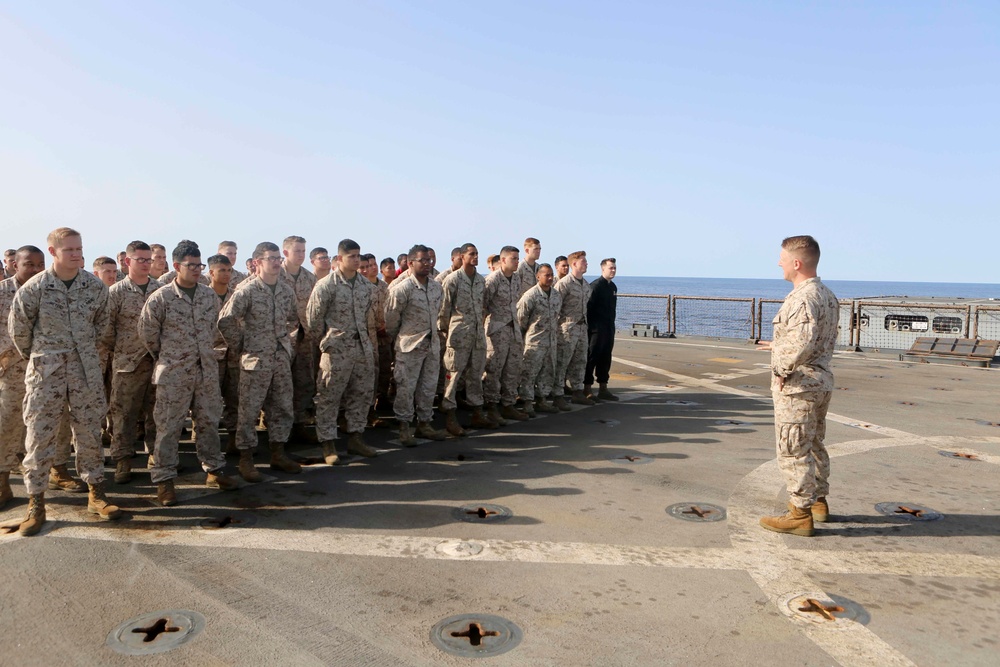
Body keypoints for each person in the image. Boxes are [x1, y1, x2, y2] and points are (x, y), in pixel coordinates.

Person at [9, 228, 123, 536]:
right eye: (69, 249)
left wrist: (84, 350)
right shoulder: (35, 289)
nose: (75, 254)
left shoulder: (94, 287)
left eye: (79, 249)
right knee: (39, 435)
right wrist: (43, 355)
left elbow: (103, 324)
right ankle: (36, 503)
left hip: (85, 371)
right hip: (46, 372)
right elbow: (19, 330)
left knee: (88, 431)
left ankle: (96, 494)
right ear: (53, 251)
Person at [138, 241, 237, 505]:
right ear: (176, 266)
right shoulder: (161, 298)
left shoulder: (207, 296)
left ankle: (214, 470)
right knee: (169, 428)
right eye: (191, 266)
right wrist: (170, 356)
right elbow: (148, 334)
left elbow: (216, 330)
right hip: (173, 373)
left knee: (208, 423)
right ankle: (165, 480)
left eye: (199, 265)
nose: (196, 270)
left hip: (205, 371)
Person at [758, 235, 840, 538]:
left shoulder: (803, 297)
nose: (778, 263)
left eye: (782, 258)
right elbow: (813, 338)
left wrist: (781, 367)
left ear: (796, 263)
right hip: (819, 382)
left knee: (793, 447)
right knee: (814, 442)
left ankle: (799, 514)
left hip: (798, 386)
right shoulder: (827, 295)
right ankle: (819, 502)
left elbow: (802, 341)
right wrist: (778, 345)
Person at [218, 242, 302, 481]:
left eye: (277, 258)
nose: (276, 262)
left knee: (282, 407)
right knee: (249, 411)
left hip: (280, 359)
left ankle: (278, 454)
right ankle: (246, 460)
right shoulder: (247, 290)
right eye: (270, 258)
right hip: (255, 361)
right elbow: (225, 320)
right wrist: (243, 345)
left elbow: (294, 321)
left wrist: (288, 346)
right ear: (257, 263)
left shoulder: (285, 291)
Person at [304, 239, 378, 464]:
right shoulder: (326, 285)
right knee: (329, 396)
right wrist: (327, 343)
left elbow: (366, 318)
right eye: (351, 256)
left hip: (361, 348)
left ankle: (356, 437)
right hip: (336, 350)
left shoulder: (366, 287)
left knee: (361, 394)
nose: (356, 260)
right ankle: (327, 443)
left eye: (358, 256)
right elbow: (313, 321)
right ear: (339, 259)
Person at [103, 241, 162, 484]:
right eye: (141, 260)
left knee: (157, 413)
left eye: (149, 260)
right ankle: (123, 461)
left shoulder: (161, 290)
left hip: (157, 362)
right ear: (127, 262)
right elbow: (105, 330)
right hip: (127, 364)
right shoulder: (115, 293)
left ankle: (156, 455)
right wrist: (124, 350)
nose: (147, 264)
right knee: (124, 414)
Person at [384, 245, 448, 445]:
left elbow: (439, 313)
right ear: (410, 263)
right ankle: (404, 427)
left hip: (431, 345)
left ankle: (424, 424)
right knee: (406, 387)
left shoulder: (437, 287)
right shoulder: (401, 289)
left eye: (429, 260)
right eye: (423, 260)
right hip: (409, 346)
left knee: (428, 387)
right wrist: (401, 338)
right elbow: (391, 320)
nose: (428, 264)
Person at [0, 246, 46, 508]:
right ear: (15, 265)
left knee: (45, 426)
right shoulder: (3, 291)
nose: (36, 269)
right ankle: (3, 480)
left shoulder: (47, 290)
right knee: (8, 425)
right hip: (12, 370)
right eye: (29, 264)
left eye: (40, 264)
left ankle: (56, 471)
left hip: (43, 368)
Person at [439, 243, 495, 432]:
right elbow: (444, 310)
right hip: (458, 336)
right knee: (453, 376)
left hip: (477, 336)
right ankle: (450, 415)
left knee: (475, 376)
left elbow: (484, 306)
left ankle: (477, 413)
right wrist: (448, 331)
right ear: (462, 257)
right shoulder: (452, 280)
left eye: (477, 253)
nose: (476, 257)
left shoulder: (480, 280)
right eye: (471, 254)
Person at [483, 245, 528, 423]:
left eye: (518, 259)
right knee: (494, 369)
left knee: (513, 369)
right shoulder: (492, 280)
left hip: (513, 329)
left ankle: (508, 404)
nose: (517, 262)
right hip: (496, 330)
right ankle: (492, 407)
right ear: (503, 260)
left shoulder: (516, 279)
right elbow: (484, 305)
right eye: (514, 259)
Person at [280, 235, 318, 438]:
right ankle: (279, 427)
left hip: (304, 336)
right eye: (297, 251)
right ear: (285, 253)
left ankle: (300, 423)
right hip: (283, 338)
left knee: (303, 381)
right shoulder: (276, 275)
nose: (302, 255)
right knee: (282, 384)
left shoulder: (309, 278)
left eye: (304, 251)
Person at [516, 263, 562, 416]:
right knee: (529, 373)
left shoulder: (556, 295)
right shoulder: (530, 296)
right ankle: (528, 403)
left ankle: (542, 400)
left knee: (547, 372)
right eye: (546, 275)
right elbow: (521, 320)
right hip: (534, 342)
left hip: (551, 341)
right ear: (538, 276)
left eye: (551, 275)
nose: (550, 278)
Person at [207, 254, 240, 442]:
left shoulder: (236, 296)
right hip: (212, 356)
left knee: (234, 398)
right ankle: (208, 440)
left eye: (229, 270)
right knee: (209, 401)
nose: (227, 274)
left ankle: (234, 438)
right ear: (211, 272)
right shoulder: (203, 296)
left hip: (233, 354)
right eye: (222, 270)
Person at [554, 251, 594, 406]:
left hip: (581, 328)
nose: (586, 264)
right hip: (566, 328)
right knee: (562, 361)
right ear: (574, 264)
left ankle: (577, 391)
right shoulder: (564, 284)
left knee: (580, 361)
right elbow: (555, 306)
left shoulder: (585, 285)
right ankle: (558, 394)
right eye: (583, 261)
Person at [585, 258, 619, 401]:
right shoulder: (596, 286)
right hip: (596, 329)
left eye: (614, 268)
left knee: (606, 358)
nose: (613, 270)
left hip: (608, 327)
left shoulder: (613, 287)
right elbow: (588, 308)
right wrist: (592, 327)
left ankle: (603, 387)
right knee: (591, 357)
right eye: (610, 268)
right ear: (603, 269)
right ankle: (586, 388)